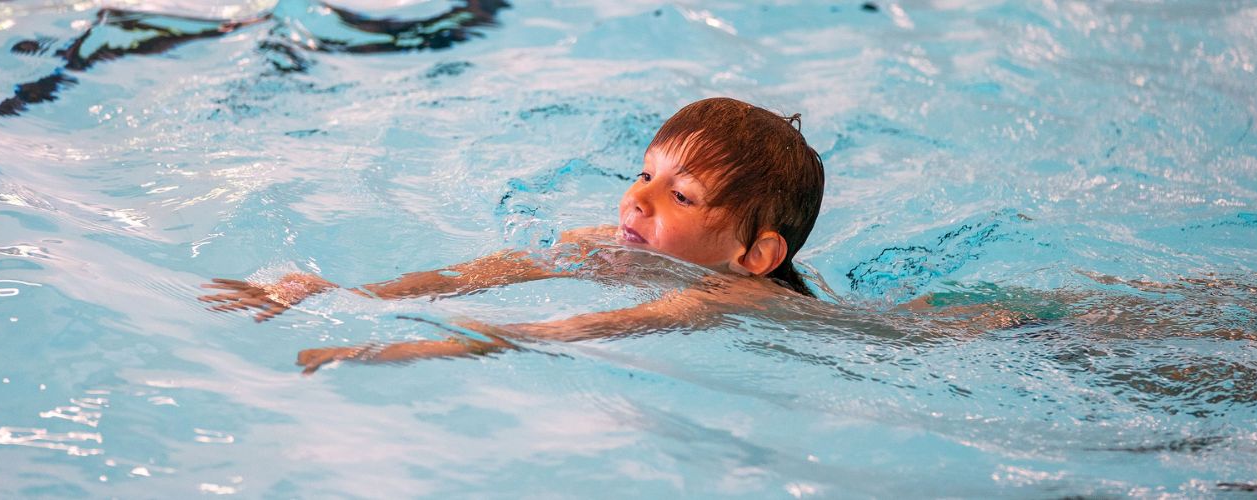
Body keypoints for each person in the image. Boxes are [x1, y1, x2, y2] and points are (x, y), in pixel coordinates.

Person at [199, 97, 827, 373]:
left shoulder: (723, 296)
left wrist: (403, 351)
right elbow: (470, 277)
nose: (635, 199)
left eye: (679, 194)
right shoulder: (607, 242)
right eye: (644, 172)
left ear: (756, 256)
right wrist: (343, 291)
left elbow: (557, 334)